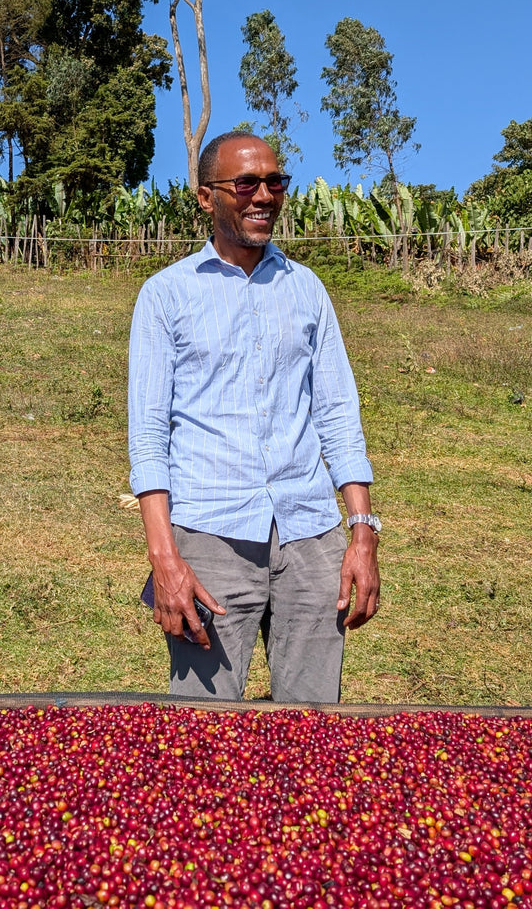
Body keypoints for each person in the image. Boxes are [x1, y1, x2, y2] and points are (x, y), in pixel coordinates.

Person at [127, 131, 380, 703]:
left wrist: (362, 534)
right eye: (246, 183)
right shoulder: (166, 296)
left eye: (275, 182)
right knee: (204, 733)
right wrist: (165, 559)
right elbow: (148, 437)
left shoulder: (307, 290)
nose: (263, 195)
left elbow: (338, 415)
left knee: (313, 725)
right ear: (206, 196)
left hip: (309, 534)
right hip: (211, 538)